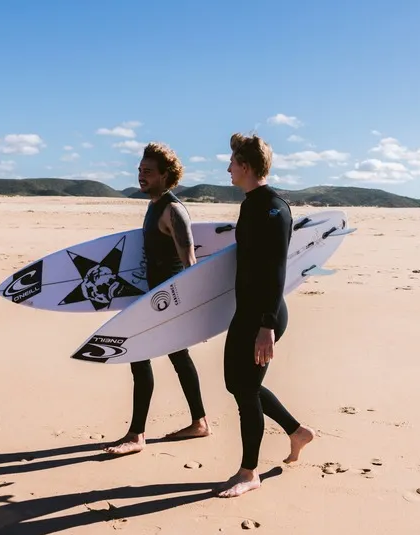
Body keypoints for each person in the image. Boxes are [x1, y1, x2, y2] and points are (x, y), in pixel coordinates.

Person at [216, 133, 315, 498]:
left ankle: (249, 472)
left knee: (245, 391)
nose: (228, 168)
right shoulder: (252, 204)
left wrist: (266, 326)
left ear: (245, 166)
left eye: (232, 162)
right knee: (238, 384)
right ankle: (296, 431)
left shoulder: (273, 208)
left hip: (263, 315)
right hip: (249, 311)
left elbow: (276, 270)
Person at [102, 142, 211, 455]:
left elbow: (190, 263)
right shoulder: (154, 205)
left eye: (148, 171)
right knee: (177, 357)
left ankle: (137, 435)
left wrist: (194, 311)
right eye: (140, 170)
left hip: (166, 301)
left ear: (165, 174)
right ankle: (199, 422)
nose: (141, 175)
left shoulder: (173, 210)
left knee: (139, 356)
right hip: (152, 295)